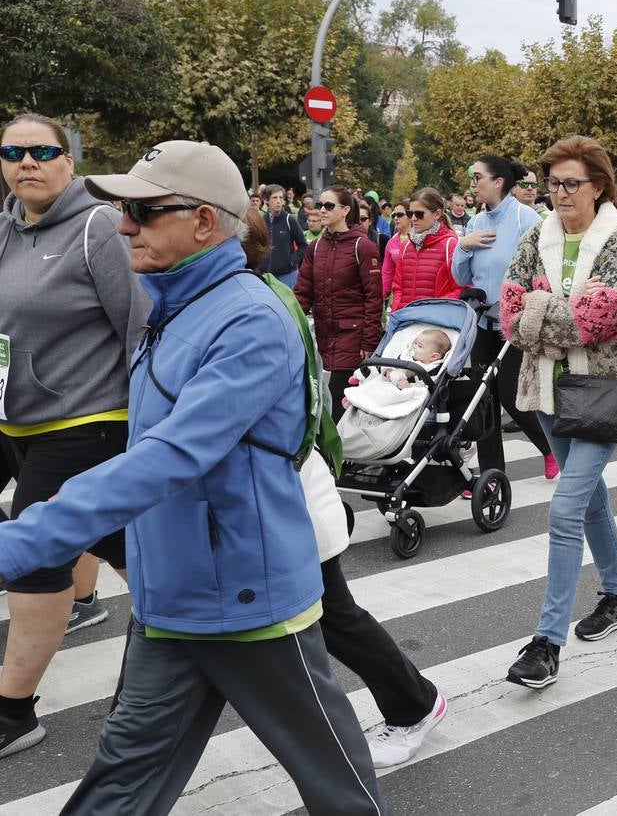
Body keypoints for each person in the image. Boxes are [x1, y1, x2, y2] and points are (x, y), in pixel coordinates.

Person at [0, 140, 386, 811]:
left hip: (245, 601)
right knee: (122, 778)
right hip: (169, 592)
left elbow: (174, 454)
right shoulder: (170, 300)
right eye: (124, 209)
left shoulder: (249, 319)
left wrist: (28, 538)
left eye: (144, 212)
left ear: (204, 222)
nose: (124, 224)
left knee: (337, 788)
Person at [242, 209, 446, 769]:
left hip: (278, 502)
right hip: (255, 509)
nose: (131, 230)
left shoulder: (255, 311)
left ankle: (409, 707)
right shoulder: (239, 301)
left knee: (332, 617)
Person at [0, 114, 150, 758]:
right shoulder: (8, 226)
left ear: (69, 159)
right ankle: (182, 630)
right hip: (15, 418)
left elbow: (139, 325)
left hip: (85, 421)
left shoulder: (96, 226)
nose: (26, 162)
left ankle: (12, 713)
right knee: (124, 546)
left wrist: (144, 430)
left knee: (36, 556)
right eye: (12, 151)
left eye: (41, 151)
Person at [498, 135, 617, 690]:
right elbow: (509, 314)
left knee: (565, 510)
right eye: (552, 183)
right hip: (544, 392)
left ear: (599, 186)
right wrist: (545, 310)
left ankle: (547, 643)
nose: (558, 192)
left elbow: (603, 318)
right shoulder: (537, 235)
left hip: (602, 391)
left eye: (571, 183)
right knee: (589, 501)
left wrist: (540, 307)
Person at [452, 155, 557, 480]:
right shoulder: (475, 223)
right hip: (481, 321)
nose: (474, 184)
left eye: (479, 177)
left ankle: (551, 446)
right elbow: (460, 276)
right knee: (482, 397)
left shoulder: (525, 218)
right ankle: (492, 473)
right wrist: (463, 246)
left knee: (513, 395)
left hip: (515, 322)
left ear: (498, 181)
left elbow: (544, 269)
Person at [294, 185, 384, 421]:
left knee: (337, 401)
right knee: (325, 400)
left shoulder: (362, 246)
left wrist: (369, 340)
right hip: (324, 333)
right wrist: (289, 323)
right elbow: (302, 292)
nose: (322, 210)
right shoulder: (315, 247)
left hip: (353, 334)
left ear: (345, 210)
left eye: (328, 205)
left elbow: (374, 298)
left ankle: (338, 456)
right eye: (319, 205)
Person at [391, 187, 464, 312]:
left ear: (437, 214)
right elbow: (398, 287)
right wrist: (396, 309)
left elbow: (460, 288)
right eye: (410, 213)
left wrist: (435, 310)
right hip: (406, 321)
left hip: (436, 324)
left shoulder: (450, 244)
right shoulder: (406, 245)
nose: (413, 218)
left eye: (419, 214)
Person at [261, 183, 307, 288]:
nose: (278, 201)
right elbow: (256, 245)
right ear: (267, 200)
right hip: (265, 276)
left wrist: (291, 260)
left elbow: (303, 245)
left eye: (281, 197)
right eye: (274, 197)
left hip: (287, 276)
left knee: (287, 304)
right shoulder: (261, 220)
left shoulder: (289, 220)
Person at [380, 199, 413, 299]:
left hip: (418, 293)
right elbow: (387, 272)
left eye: (400, 215)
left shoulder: (420, 239)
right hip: (398, 293)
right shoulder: (391, 242)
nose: (396, 218)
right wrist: (382, 294)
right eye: (394, 215)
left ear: (410, 216)